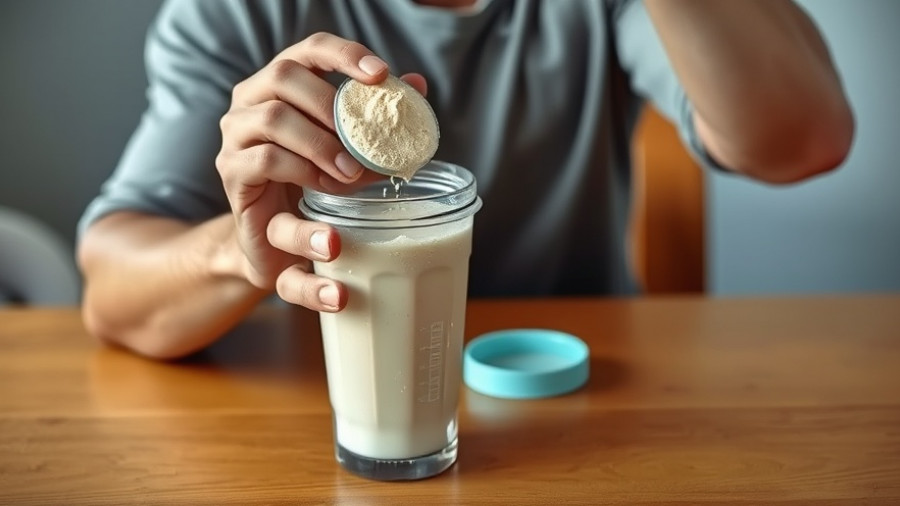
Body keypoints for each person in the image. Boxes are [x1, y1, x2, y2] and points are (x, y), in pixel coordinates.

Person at [76, 0, 854, 360]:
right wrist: (244, 254)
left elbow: (804, 140)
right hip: (337, 407)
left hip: (583, 392)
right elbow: (111, 290)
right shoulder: (241, 14)